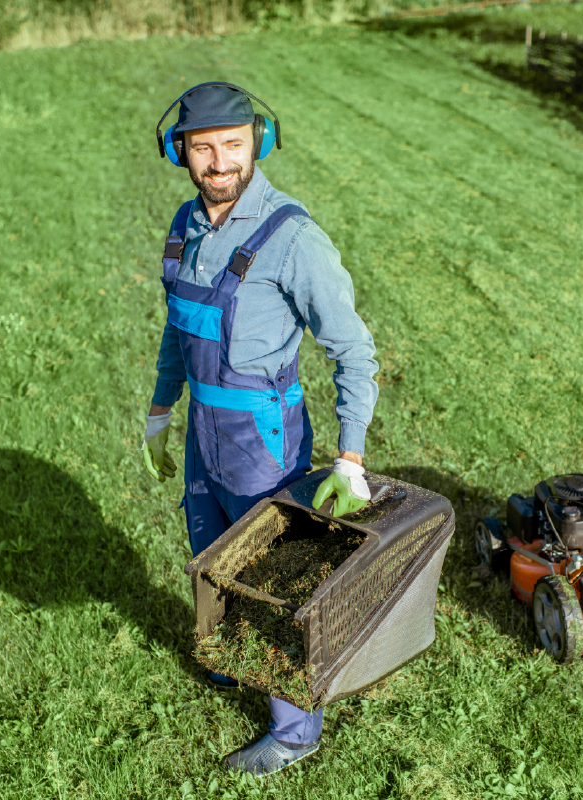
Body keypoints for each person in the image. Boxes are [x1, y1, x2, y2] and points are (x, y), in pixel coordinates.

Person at [140, 82, 379, 776]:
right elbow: (177, 330)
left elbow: (353, 352)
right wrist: (160, 411)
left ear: (259, 143)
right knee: (212, 558)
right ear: (179, 150)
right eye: (203, 147)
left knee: (273, 581)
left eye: (233, 145)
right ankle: (230, 662)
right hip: (201, 435)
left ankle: (297, 729)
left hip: (262, 440)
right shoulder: (186, 226)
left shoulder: (292, 238)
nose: (219, 162)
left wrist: (350, 458)